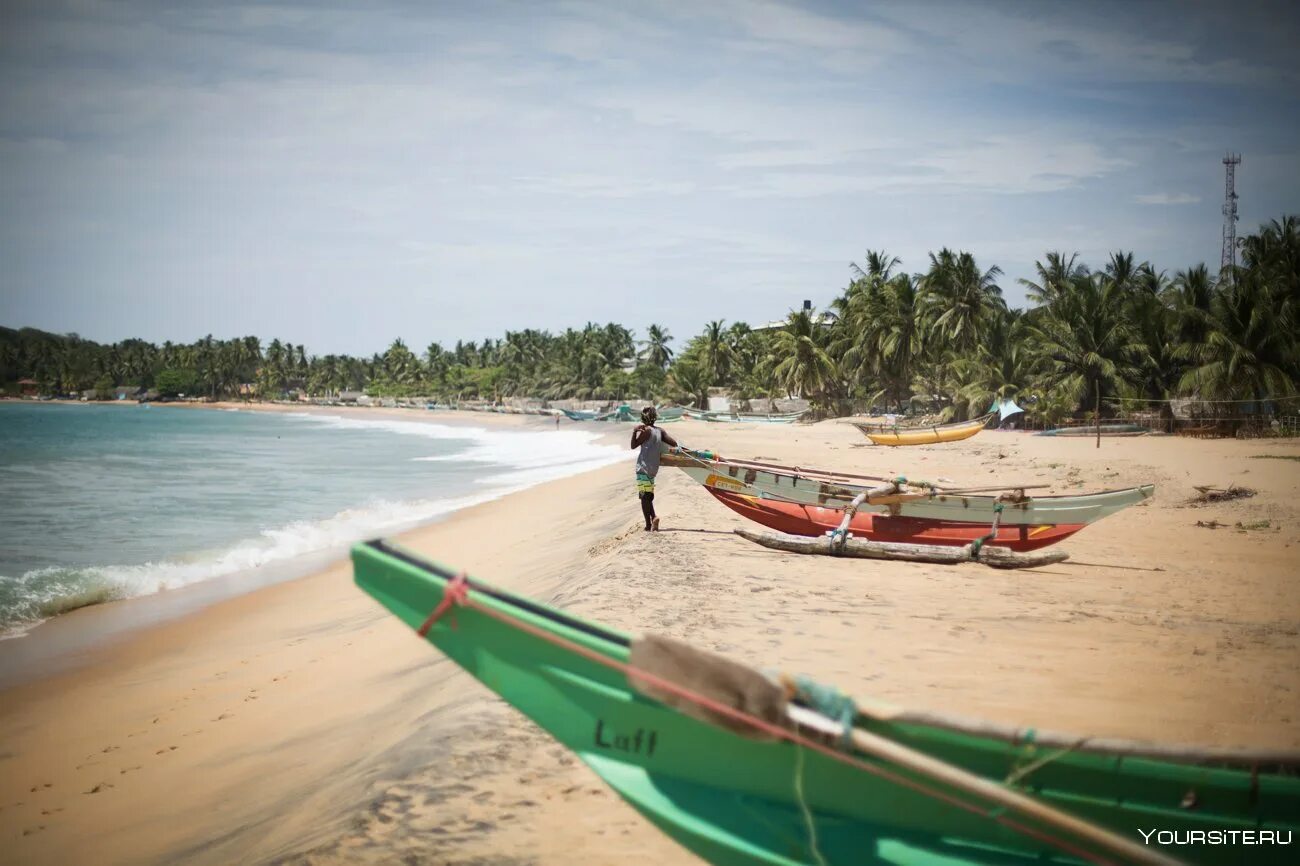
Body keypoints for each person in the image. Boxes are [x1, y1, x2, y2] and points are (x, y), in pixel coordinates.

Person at [631, 406, 677, 531]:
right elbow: (674, 443)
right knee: (647, 495)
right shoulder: (660, 431)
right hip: (653, 469)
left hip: (643, 467)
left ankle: (648, 525)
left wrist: (635, 431)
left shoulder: (646, 431)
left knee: (644, 496)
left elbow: (633, 445)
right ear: (655, 417)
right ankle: (653, 517)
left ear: (643, 418)